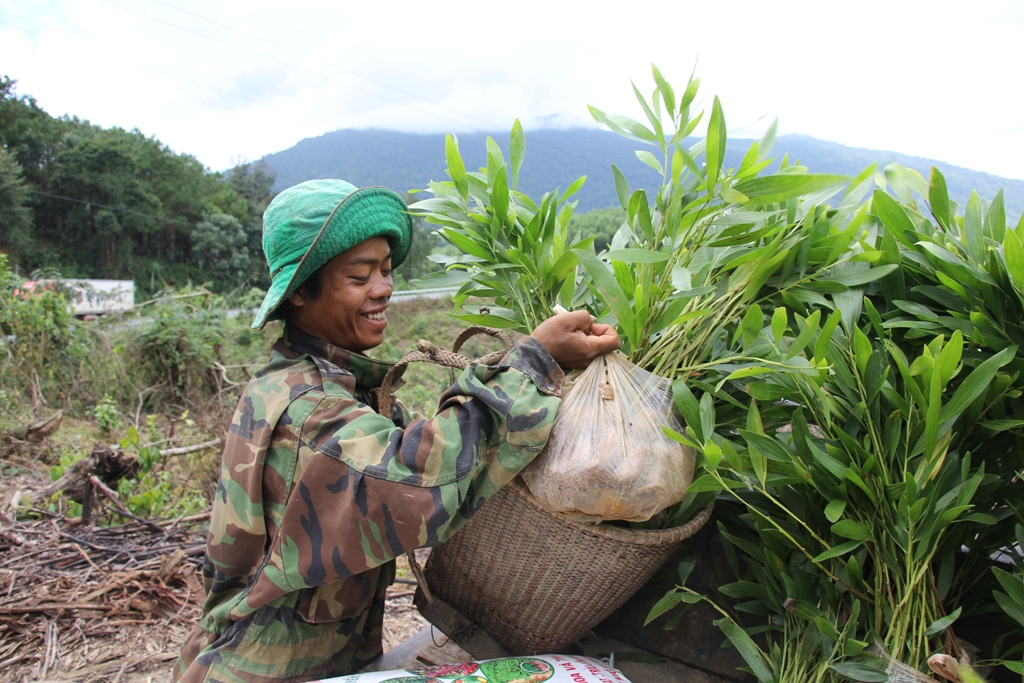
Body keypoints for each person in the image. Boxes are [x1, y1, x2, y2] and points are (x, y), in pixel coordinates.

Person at [172, 179, 620, 683]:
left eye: (385, 271)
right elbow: (426, 473)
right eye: (360, 276)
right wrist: (534, 362)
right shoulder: (307, 410)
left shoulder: (324, 383)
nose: (383, 288)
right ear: (299, 291)